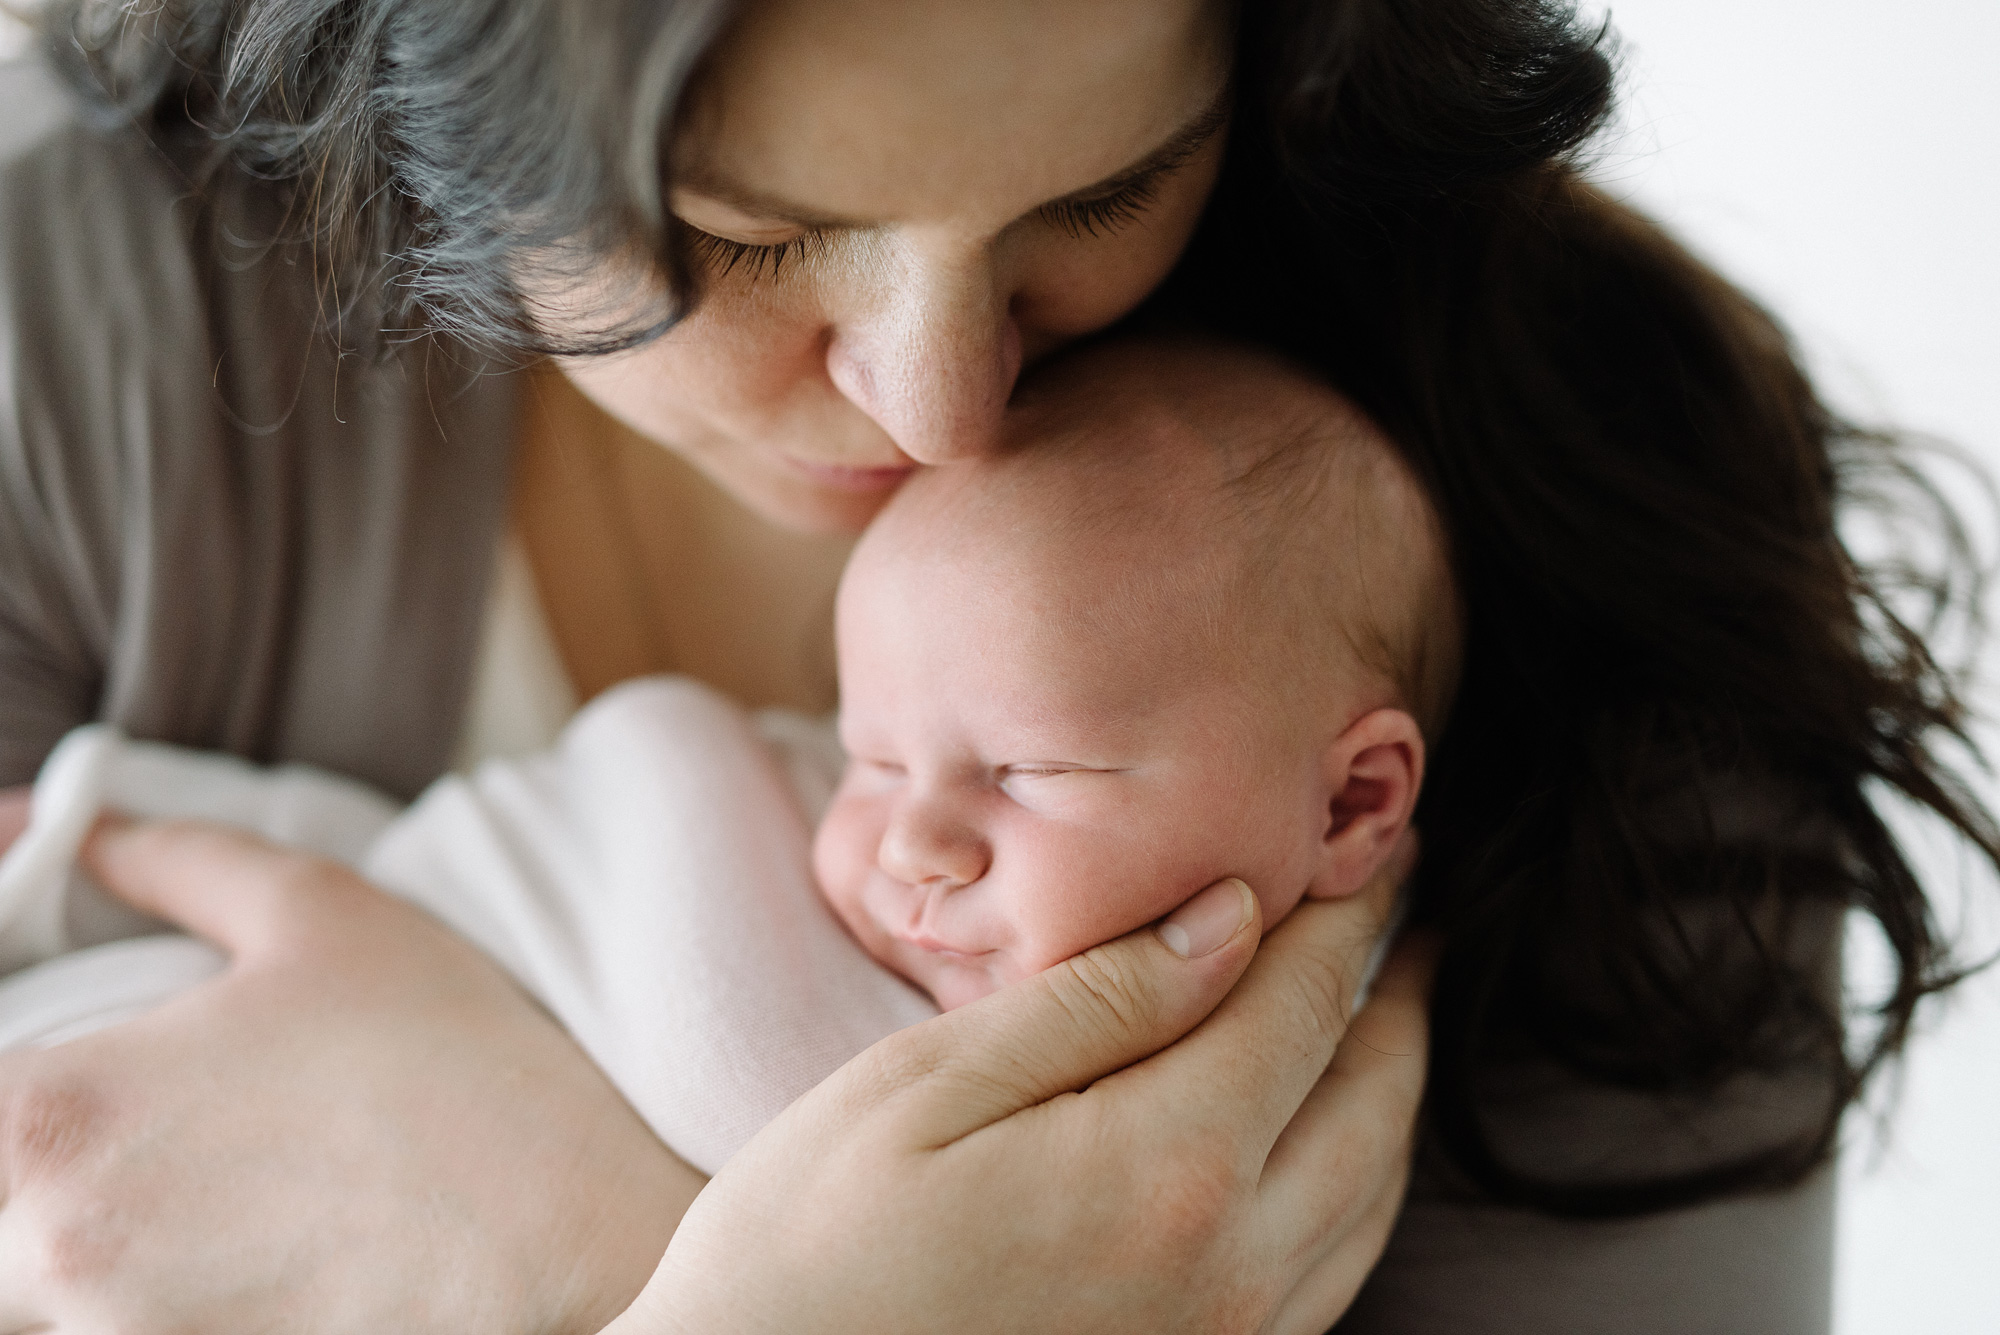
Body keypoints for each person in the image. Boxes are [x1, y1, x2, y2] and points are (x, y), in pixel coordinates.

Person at [0, 0, 1993, 1330]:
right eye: (747, 237)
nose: (943, 410)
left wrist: (663, 1270)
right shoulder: (73, 349)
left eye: (1104, 187)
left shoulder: (1599, 514)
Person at [0, 336, 1449, 1181]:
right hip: (175, 1028)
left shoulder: (1265, 1145)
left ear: (1354, 801)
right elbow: (435, 859)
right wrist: (98, 836)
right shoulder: (756, 798)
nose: (909, 840)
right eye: (873, 752)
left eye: (1032, 774)